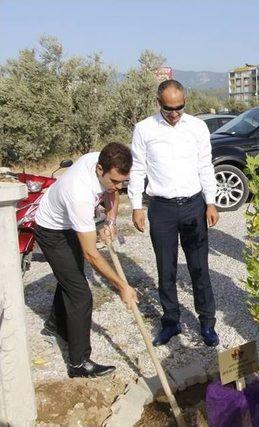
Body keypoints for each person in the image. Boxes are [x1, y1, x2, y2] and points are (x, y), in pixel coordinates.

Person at [128, 79, 220, 347]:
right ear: (159, 103)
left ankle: (206, 323)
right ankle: (171, 322)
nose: (175, 113)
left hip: (194, 205)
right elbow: (137, 169)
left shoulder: (197, 127)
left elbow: (205, 165)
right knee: (165, 268)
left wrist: (211, 202)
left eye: (180, 107)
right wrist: (136, 206)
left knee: (199, 267)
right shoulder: (144, 129)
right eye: (169, 108)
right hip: (162, 208)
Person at [35, 143, 138, 378]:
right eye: (114, 180)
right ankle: (78, 364)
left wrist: (110, 223)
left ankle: (55, 325)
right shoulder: (79, 193)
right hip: (52, 231)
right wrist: (122, 286)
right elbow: (92, 254)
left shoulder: (101, 161)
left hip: (71, 223)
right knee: (80, 293)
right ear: (100, 170)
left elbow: (111, 193)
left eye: (123, 181)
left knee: (71, 279)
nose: (118, 186)